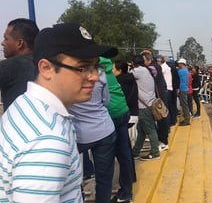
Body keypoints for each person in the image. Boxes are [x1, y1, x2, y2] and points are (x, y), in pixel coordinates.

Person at [0, 23, 117, 202]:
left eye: (95, 67)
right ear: (46, 68)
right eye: (82, 67)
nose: (94, 76)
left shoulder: (25, 104)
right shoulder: (48, 140)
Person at [69, 65, 117, 203]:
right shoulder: (100, 74)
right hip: (103, 128)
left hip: (78, 134)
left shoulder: (68, 75)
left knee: (73, 176)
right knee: (104, 177)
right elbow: (106, 100)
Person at [100, 57, 135, 203]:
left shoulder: (94, 72)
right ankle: (126, 192)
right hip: (122, 112)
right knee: (124, 153)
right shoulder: (108, 69)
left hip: (111, 116)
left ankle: (104, 197)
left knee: (105, 159)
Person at [0, 18, 39, 110]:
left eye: (6, 39)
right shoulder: (48, 64)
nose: (2, 43)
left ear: (20, 43)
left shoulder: (10, 66)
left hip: (16, 123)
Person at [131, 55, 160, 160]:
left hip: (144, 106)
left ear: (134, 63)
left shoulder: (138, 71)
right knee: (142, 130)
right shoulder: (146, 70)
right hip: (150, 103)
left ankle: (155, 153)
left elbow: (125, 74)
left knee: (150, 130)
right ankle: (135, 152)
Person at [177, 58, 191, 126]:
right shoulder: (186, 71)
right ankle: (186, 119)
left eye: (179, 63)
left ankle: (187, 120)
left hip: (182, 89)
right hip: (185, 89)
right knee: (184, 105)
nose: (178, 64)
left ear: (182, 64)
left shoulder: (181, 71)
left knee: (184, 105)